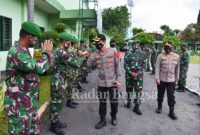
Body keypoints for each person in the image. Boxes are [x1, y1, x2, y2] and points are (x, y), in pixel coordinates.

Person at [4, 21, 53, 135]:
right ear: (29, 37)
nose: (36, 41)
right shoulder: (15, 52)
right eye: (35, 38)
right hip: (18, 107)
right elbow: (39, 67)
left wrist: (40, 51)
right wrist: (47, 52)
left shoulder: (24, 50)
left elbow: (34, 62)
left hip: (28, 103)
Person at [87, 34, 121, 129]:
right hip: (101, 83)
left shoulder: (113, 51)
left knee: (114, 102)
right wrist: (85, 56)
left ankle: (113, 116)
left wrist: (118, 80)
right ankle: (102, 120)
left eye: (99, 42)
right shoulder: (95, 54)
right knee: (102, 102)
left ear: (104, 41)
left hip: (113, 82)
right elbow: (87, 65)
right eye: (95, 42)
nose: (97, 44)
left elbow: (118, 66)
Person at [49, 32, 78, 135]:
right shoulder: (61, 52)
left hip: (59, 80)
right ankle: (53, 125)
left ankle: (56, 121)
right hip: (57, 81)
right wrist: (80, 56)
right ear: (65, 42)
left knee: (58, 102)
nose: (70, 44)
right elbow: (75, 64)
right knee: (56, 103)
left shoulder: (58, 50)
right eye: (69, 42)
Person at [155, 41, 180, 120]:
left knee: (171, 96)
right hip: (161, 79)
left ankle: (171, 112)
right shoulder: (160, 56)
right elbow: (157, 67)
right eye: (165, 47)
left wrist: (176, 79)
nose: (167, 48)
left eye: (169, 47)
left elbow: (177, 69)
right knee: (160, 94)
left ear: (172, 47)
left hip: (171, 80)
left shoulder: (176, 56)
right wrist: (157, 78)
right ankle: (159, 107)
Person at [124, 39, 145, 115]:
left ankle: (137, 106)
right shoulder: (127, 53)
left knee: (138, 91)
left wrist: (138, 73)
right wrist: (130, 72)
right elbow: (125, 64)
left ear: (139, 45)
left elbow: (143, 65)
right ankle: (129, 102)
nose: (135, 45)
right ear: (132, 45)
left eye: (137, 44)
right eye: (134, 44)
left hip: (139, 76)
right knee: (129, 89)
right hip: (129, 75)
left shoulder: (143, 54)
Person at [66, 37, 80, 109]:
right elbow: (69, 62)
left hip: (74, 72)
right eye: (77, 43)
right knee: (70, 87)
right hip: (71, 72)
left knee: (73, 86)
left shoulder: (73, 50)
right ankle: (69, 102)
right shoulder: (71, 51)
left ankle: (71, 100)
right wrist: (69, 74)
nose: (78, 44)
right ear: (74, 43)